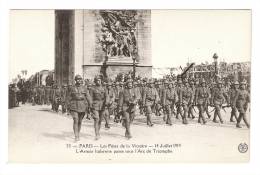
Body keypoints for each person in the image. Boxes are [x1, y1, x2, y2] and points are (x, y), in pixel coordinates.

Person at [68, 75, 92, 142]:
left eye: (80, 79)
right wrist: (68, 106)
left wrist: (91, 105)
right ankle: (76, 136)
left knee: (80, 121)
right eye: (77, 79)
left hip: (82, 106)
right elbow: (68, 97)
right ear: (75, 80)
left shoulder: (84, 88)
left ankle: (78, 133)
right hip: (74, 105)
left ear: (81, 80)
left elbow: (88, 97)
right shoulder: (72, 88)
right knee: (76, 120)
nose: (79, 80)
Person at [89, 76, 107, 140]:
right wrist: (91, 106)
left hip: (102, 105)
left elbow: (106, 96)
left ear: (101, 81)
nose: (98, 81)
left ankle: (98, 132)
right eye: (97, 80)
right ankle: (96, 134)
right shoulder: (92, 89)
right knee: (96, 119)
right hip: (95, 105)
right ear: (95, 81)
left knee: (100, 120)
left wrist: (106, 103)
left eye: (99, 80)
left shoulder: (104, 88)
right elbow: (90, 98)